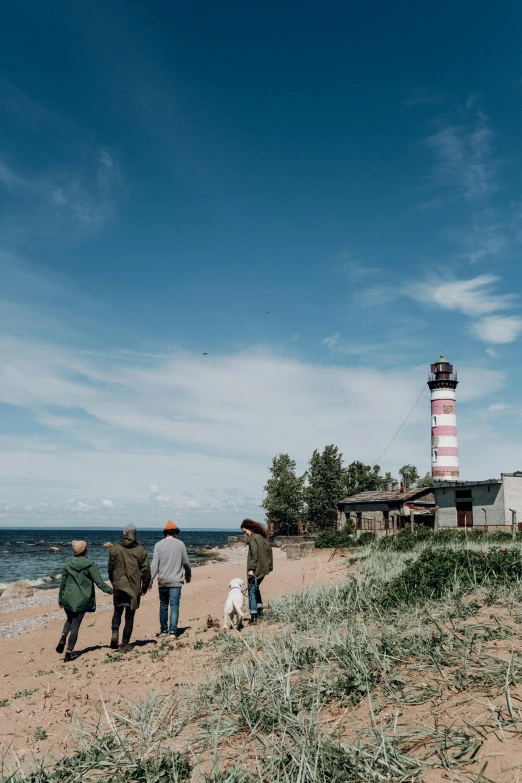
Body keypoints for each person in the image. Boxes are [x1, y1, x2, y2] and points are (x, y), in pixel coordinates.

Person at [56, 540, 113, 661]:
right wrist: (113, 591)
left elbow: (63, 584)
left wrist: (60, 599)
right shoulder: (90, 564)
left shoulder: (67, 564)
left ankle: (63, 637)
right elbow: (99, 583)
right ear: (85, 550)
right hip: (82, 599)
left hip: (68, 598)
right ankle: (68, 652)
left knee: (69, 619)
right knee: (75, 626)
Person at [108, 523, 151, 652]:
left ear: (124, 533)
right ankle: (125, 643)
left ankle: (115, 634)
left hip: (119, 584)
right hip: (134, 586)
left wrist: (114, 582)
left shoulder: (114, 549)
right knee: (129, 616)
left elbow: (110, 569)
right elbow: (146, 571)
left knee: (117, 611)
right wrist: (144, 586)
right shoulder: (141, 549)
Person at [149, 520, 191, 636]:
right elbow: (186, 563)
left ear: (165, 532)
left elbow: (154, 565)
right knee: (174, 605)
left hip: (163, 581)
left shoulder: (158, 545)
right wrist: (188, 575)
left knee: (163, 605)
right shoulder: (180, 544)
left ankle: (163, 631)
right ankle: (172, 631)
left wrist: (150, 580)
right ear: (175, 533)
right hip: (176, 581)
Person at [240, 519, 273, 625]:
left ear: (250, 528)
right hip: (263, 569)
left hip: (256, 569)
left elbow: (254, 554)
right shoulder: (262, 537)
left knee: (252, 591)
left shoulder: (253, 538)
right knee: (256, 589)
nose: (245, 534)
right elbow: (269, 551)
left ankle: (254, 617)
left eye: (245, 532)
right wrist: (269, 566)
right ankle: (260, 612)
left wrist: (251, 569)